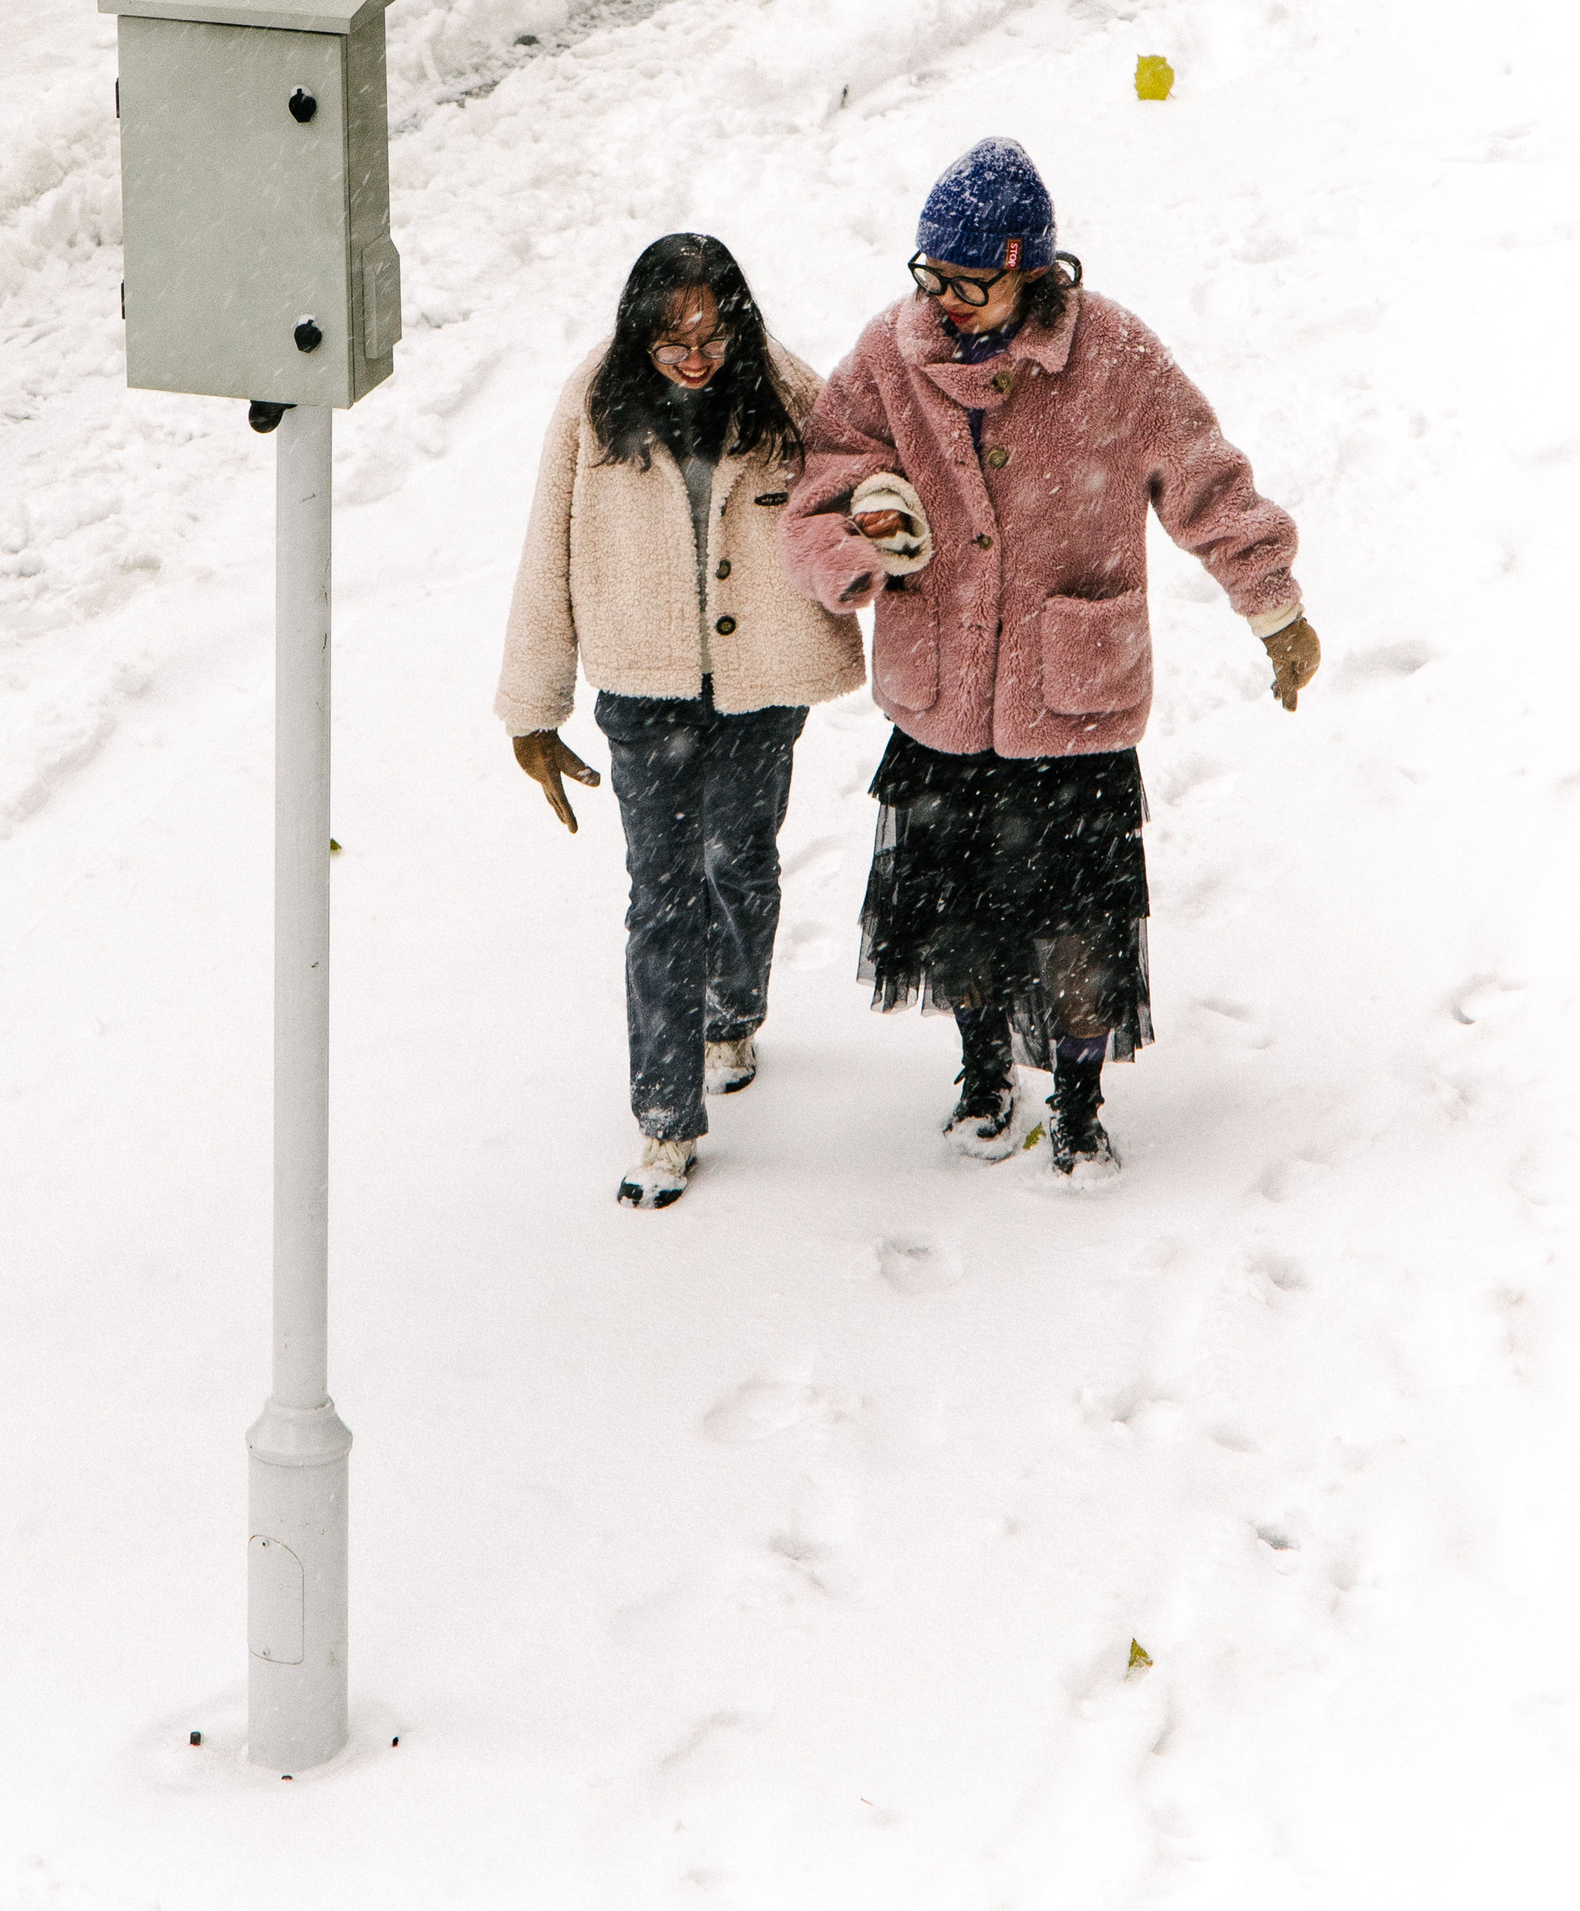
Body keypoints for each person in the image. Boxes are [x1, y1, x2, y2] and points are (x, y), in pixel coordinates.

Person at [780, 140, 1319, 1185]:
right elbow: (818, 480)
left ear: (1031, 268)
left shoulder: (1113, 354)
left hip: (1070, 700)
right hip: (940, 700)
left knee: (1079, 924)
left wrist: (1274, 603)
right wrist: (858, 543)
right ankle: (982, 1072)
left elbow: (1204, 478)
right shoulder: (889, 356)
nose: (946, 302)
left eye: (969, 282)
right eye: (930, 277)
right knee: (959, 917)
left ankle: (1076, 1101)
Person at [498, 234, 864, 1208]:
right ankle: (663, 1120)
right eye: (670, 336)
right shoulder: (592, 403)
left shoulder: (793, 396)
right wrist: (534, 706)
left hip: (761, 682)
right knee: (659, 893)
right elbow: (547, 552)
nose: (693, 356)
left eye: (709, 333)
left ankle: (732, 1010)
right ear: (639, 331)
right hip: (643, 686)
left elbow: (859, 506)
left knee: (738, 856)